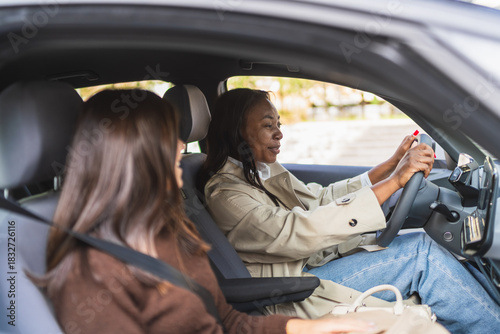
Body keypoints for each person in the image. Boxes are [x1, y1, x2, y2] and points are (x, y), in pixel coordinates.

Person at [37, 89, 379, 334]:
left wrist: (306, 329)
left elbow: (229, 322)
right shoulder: (90, 276)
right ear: (133, 156)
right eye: (169, 137)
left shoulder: (171, 230)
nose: (182, 146)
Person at [199, 88, 500, 334]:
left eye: (279, 123)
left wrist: (390, 167)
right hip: (297, 289)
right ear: (236, 132)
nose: (279, 133)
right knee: (421, 254)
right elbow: (298, 230)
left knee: (430, 246)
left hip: (314, 265)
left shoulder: (261, 171)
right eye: (268, 125)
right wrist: (395, 181)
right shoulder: (226, 193)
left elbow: (319, 199)